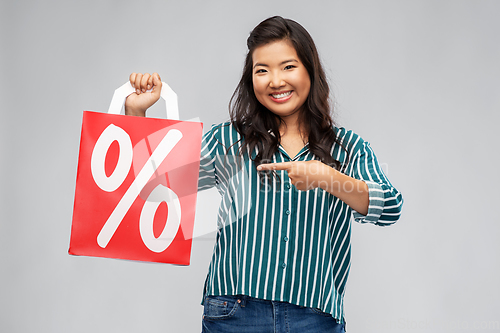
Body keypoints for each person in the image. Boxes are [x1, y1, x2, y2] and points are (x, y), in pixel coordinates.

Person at [124, 16, 403, 333]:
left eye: (288, 67)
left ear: (310, 71)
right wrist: (137, 113)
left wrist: (326, 177)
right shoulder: (228, 141)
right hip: (234, 314)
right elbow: (155, 184)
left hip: (315, 318)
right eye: (262, 70)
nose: (275, 81)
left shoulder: (347, 148)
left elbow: (390, 207)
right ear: (250, 79)